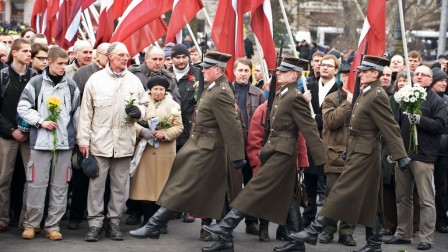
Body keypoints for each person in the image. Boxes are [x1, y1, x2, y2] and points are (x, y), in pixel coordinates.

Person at [202, 57, 328, 252]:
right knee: (291, 197)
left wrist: (321, 161)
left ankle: (226, 226)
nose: (278, 73)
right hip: (275, 149)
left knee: (255, 188)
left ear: (294, 75)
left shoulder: (294, 96)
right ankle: (297, 243)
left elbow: (309, 129)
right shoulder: (282, 94)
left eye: (283, 71)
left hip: (284, 152)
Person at [290, 56, 410, 252]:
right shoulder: (367, 91)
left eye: (364, 70)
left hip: (366, 151)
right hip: (357, 149)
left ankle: (314, 229)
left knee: (341, 190)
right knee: (371, 199)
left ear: (375, 73)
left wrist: (401, 155)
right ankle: (373, 243)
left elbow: (389, 126)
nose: (359, 73)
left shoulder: (377, 94)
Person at [128, 51, 245, 243]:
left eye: (206, 68)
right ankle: (225, 242)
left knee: (181, 185)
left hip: (209, 150)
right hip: (202, 145)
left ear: (217, 69)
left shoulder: (221, 91)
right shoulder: (213, 87)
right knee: (213, 193)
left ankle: (154, 225)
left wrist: (237, 155)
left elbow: (232, 126)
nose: (203, 71)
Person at [77, 42, 148, 242]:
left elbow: (145, 104)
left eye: (127, 55)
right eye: (121, 55)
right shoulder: (95, 80)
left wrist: (140, 112)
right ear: (110, 57)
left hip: (125, 142)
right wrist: (83, 140)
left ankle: (114, 222)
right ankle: (94, 224)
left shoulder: (133, 81)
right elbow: (85, 114)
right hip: (100, 143)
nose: (126, 58)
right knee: (96, 186)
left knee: (119, 186)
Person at [17, 46, 80, 240]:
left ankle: (53, 226)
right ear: (49, 63)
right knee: (36, 184)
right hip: (40, 143)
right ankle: (31, 224)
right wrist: (40, 121)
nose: (64, 67)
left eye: (65, 63)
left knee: (60, 186)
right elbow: (23, 107)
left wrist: (79, 138)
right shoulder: (35, 83)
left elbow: (77, 114)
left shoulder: (71, 86)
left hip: (64, 144)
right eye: (60, 63)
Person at [386, 65, 447, 251]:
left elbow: (441, 126)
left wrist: (420, 120)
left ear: (431, 80)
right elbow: (396, 125)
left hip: (424, 156)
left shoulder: (436, 100)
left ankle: (426, 238)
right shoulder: (405, 96)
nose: (419, 77)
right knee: (402, 197)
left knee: (426, 199)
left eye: (424, 75)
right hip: (404, 154)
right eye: (417, 74)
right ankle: (402, 234)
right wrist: (394, 151)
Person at [66, 42, 110, 231]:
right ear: (98, 55)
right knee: (82, 176)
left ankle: (106, 218)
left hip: (106, 134)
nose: (108, 57)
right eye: (105, 54)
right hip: (85, 131)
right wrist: (81, 135)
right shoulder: (82, 74)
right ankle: (76, 215)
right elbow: (75, 106)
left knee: (106, 179)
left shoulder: (117, 77)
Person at [129, 75, 183, 226]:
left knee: (162, 187)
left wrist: (164, 134)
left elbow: (179, 127)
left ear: (165, 91)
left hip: (164, 152)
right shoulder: (141, 103)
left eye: (161, 89)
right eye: (155, 89)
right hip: (145, 150)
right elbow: (131, 123)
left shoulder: (173, 105)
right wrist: (142, 131)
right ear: (150, 90)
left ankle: (160, 222)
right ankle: (147, 219)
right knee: (145, 187)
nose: (158, 92)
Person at [319, 64, 357, 247]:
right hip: (335, 154)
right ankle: (328, 229)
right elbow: (331, 121)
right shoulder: (331, 98)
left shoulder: (363, 98)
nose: (351, 78)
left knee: (352, 195)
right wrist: (348, 102)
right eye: (347, 75)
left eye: (355, 75)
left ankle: (347, 231)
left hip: (356, 154)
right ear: (341, 77)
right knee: (332, 194)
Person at [0, 38, 36, 233]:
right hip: (7, 136)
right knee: (4, 178)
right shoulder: (3, 77)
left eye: (30, 51)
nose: (29, 54)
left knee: (32, 180)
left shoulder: (35, 77)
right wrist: (11, 130)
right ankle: (2, 218)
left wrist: (30, 127)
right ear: (14, 53)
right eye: (25, 51)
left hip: (31, 135)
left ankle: (27, 220)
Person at [302, 54, 339, 225]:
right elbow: (301, 116)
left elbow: (335, 119)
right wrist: (303, 101)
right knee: (309, 182)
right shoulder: (309, 88)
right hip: (311, 142)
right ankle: (308, 217)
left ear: (336, 70)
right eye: (323, 64)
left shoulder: (340, 92)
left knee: (330, 185)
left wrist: (316, 118)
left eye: (329, 65)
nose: (324, 67)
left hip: (331, 143)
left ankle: (327, 222)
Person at [429, 68, 448, 233]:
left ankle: (441, 220)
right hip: (428, 149)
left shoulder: (447, 100)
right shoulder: (425, 98)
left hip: (444, 151)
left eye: (445, 81)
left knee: (442, 187)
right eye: (440, 80)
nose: (444, 83)